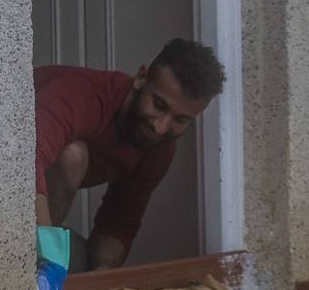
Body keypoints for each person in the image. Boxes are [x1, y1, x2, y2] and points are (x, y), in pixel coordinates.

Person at [34, 39, 225, 270]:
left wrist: (101, 284)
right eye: (159, 105)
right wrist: (47, 262)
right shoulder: (82, 94)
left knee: (87, 268)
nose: (161, 127)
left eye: (180, 119)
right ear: (141, 78)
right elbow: (25, 159)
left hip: (24, 203)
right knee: (73, 156)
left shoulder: (158, 145)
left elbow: (117, 224)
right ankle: (34, 261)